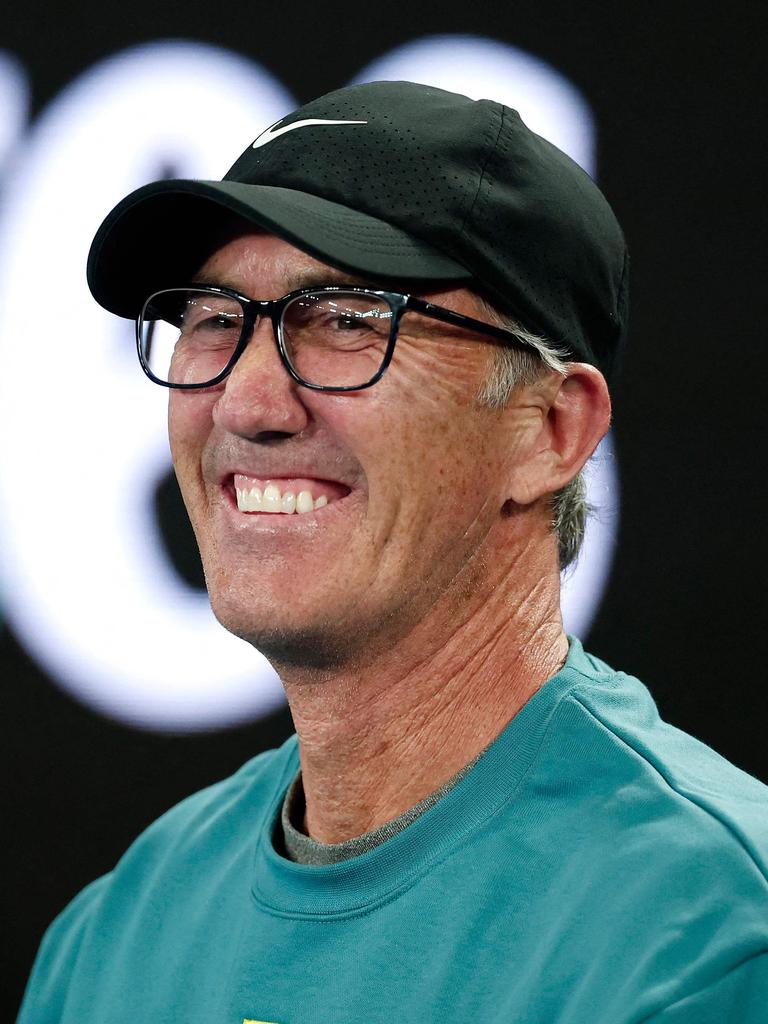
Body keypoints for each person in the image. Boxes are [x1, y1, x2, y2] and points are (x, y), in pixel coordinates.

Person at [18, 81, 768, 1023]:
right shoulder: (115, 936)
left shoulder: (713, 939)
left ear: (550, 429)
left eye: (344, 319)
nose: (248, 405)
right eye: (214, 319)